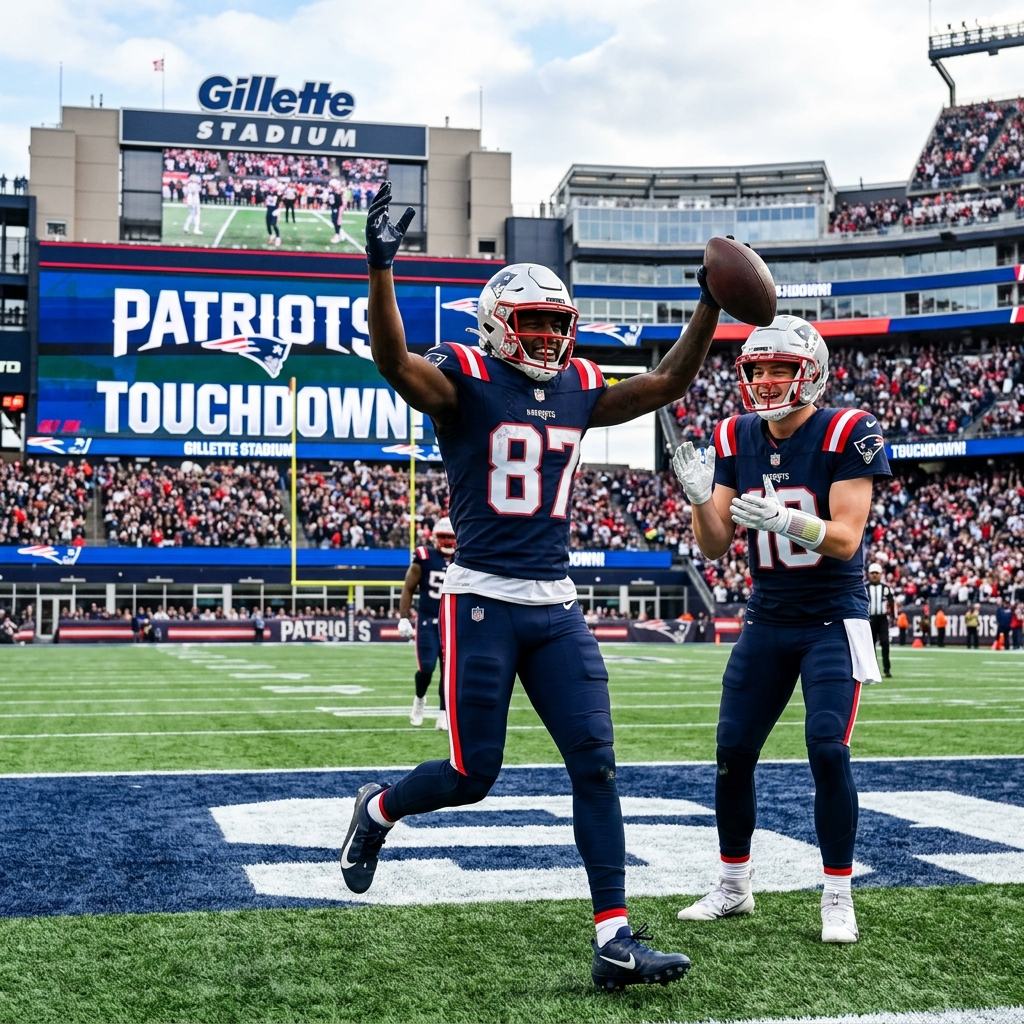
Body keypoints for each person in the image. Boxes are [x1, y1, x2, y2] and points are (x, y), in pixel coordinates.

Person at [339, 181, 719, 990]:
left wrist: (710, 309)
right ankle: (378, 809)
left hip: (555, 605)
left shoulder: (579, 384)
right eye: (534, 321)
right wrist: (381, 267)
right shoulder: (465, 374)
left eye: (557, 322)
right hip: (480, 598)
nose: (547, 336)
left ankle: (614, 939)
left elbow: (663, 388)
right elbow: (391, 362)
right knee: (474, 776)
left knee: (597, 764)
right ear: (496, 323)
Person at [671, 315, 891, 945]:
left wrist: (788, 520)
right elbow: (714, 545)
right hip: (767, 616)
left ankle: (838, 892)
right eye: (757, 369)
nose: (766, 381)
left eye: (780, 368)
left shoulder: (849, 429)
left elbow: (846, 542)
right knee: (733, 750)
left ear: (811, 372)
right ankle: (734, 886)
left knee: (827, 748)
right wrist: (696, 498)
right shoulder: (735, 435)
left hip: (833, 617)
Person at [398, 517, 456, 731]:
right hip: (427, 622)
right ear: (434, 538)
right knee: (427, 667)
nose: (448, 542)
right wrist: (404, 616)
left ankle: (443, 713)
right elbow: (408, 588)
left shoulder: (463, 558)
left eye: (451, 537)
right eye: (444, 537)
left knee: (449, 672)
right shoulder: (424, 557)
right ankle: (420, 699)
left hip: (451, 622)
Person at [866, 562, 894, 678]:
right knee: (870, 646)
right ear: (868, 574)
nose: (874, 575)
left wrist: (893, 616)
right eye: (872, 573)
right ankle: (872, 671)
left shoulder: (886, 588)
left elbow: (891, 603)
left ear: (881, 574)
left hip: (882, 619)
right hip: (869, 619)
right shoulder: (864, 588)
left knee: (885, 643)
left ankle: (887, 669)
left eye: (876, 573)